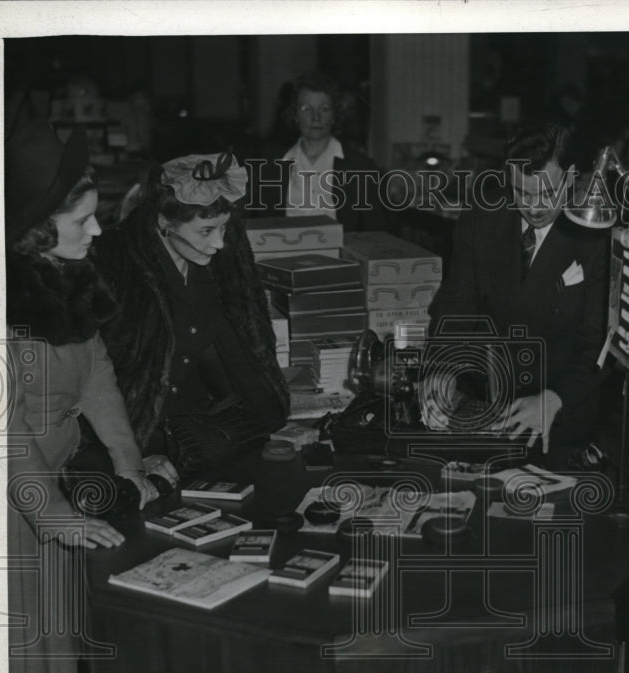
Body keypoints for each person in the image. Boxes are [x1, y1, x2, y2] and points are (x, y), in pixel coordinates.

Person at [4, 121, 158, 673]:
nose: (97, 232)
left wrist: (129, 462)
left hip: (50, 495)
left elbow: (97, 373)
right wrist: (54, 513)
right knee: (18, 662)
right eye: (83, 222)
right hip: (8, 505)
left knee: (51, 662)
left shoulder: (67, 277)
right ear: (37, 231)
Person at [94, 150, 289, 478]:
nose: (220, 244)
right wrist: (130, 457)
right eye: (205, 231)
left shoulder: (217, 265)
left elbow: (243, 345)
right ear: (164, 221)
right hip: (135, 441)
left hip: (197, 434)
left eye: (224, 228)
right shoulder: (115, 266)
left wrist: (275, 417)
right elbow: (96, 382)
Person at [425, 122, 609, 462]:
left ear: (570, 178)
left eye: (547, 193)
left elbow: (599, 344)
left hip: (559, 420)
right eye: (522, 193)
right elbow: (456, 304)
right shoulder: (484, 216)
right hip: (484, 404)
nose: (534, 207)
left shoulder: (596, 234)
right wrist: (442, 369)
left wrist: (554, 398)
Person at [257, 71, 386, 231]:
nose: (316, 117)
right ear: (295, 115)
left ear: (334, 115)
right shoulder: (271, 167)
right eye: (306, 109)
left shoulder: (361, 166)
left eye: (324, 109)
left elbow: (375, 233)